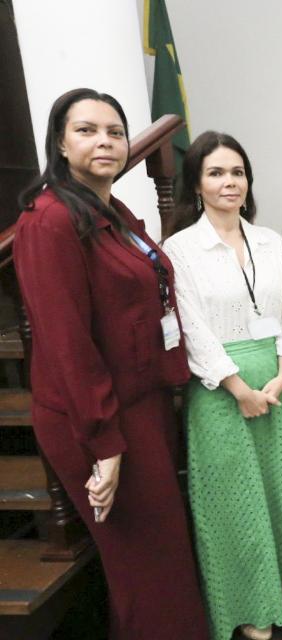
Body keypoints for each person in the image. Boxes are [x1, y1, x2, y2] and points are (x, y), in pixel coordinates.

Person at [13, 88, 209, 639]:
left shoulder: (111, 210)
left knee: (159, 555)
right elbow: (67, 345)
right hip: (97, 421)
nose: (105, 141)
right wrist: (104, 444)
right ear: (59, 143)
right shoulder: (49, 221)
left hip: (140, 406)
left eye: (115, 132)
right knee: (145, 564)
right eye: (87, 130)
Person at [163, 131, 282, 639]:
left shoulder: (271, 241)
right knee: (235, 500)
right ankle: (253, 604)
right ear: (196, 184)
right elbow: (190, 328)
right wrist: (239, 389)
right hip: (219, 389)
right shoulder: (179, 249)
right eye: (215, 173)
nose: (229, 182)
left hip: (276, 379)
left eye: (237, 172)